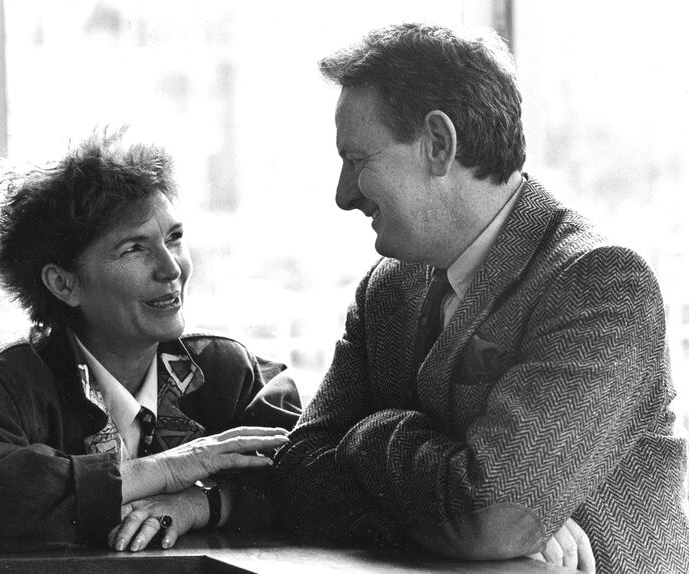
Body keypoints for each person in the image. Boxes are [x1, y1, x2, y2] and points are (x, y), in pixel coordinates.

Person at [274, 22, 689, 574]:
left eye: (357, 160)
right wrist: (470, 521)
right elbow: (300, 471)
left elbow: (490, 513)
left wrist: (371, 430)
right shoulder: (387, 288)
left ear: (439, 145)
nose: (343, 194)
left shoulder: (601, 285)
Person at [0, 130, 301, 552]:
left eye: (174, 238)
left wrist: (197, 503)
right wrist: (167, 469)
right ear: (63, 283)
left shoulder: (227, 371)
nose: (171, 269)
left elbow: (304, 467)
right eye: (134, 248)